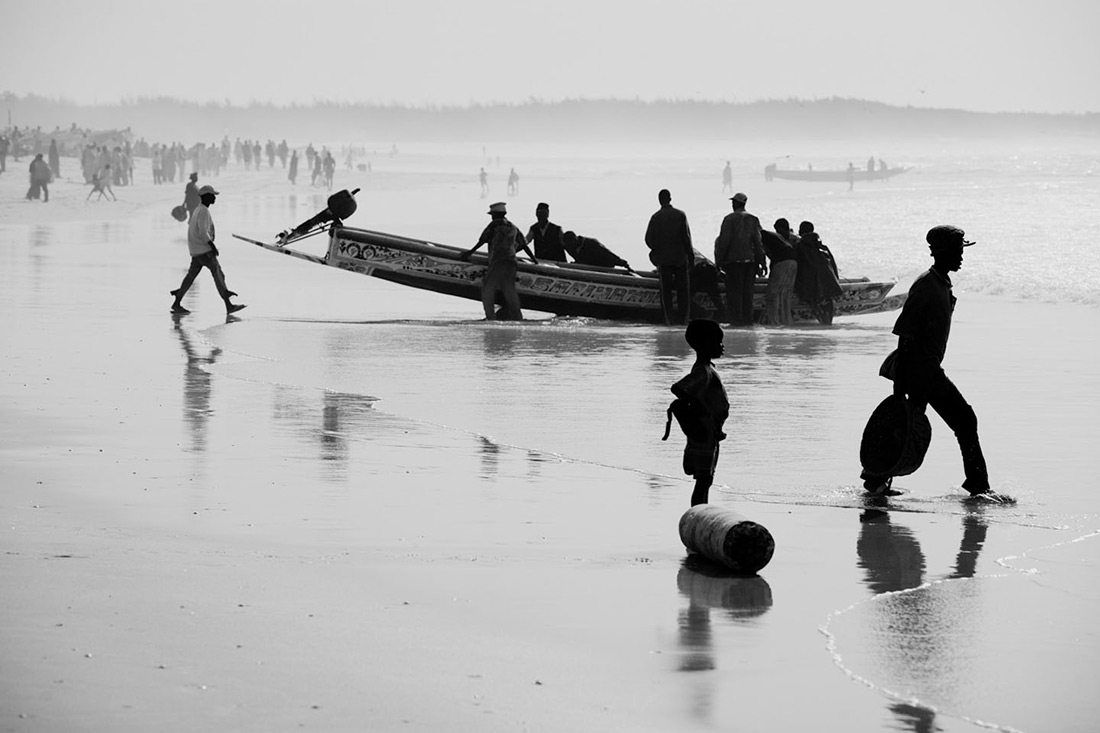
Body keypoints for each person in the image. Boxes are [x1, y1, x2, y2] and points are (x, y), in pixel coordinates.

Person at [861, 226, 997, 500]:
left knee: (904, 427)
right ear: (943, 252)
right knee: (965, 421)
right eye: (958, 251)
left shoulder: (941, 282)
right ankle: (979, 487)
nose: (961, 257)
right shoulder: (926, 285)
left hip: (926, 370)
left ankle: (875, 481)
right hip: (921, 372)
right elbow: (905, 336)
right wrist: (900, 387)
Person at [671, 319, 729, 506]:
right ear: (705, 344)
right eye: (718, 342)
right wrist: (699, 408)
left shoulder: (707, 368)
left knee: (706, 479)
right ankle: (698, 512)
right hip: (704, 433)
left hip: (709, 432)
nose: (722, 347)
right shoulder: (703, 371)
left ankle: (700, 510)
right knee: (703, 480)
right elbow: (679, 388)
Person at [170, 185, 246, 316]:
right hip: (204, 250)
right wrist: (212, 246)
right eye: (212, 195)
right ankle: (228, 304)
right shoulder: (203, 211)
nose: (215, 197)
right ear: (206, 197)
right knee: (218, 273)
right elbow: (203, 232)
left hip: (195, 250)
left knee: (191, 277)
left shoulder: (198, 210)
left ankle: (177, 302)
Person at [460, 201, 538, 320]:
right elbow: (524, 245)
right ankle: (518, 317)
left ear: (495, 214)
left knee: (488, 289)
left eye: (492, 215)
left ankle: (490, 317)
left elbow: (482, 240)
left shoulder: (494, 225)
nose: (491, 217)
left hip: (498, 261)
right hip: (512, 262)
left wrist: (469, 253)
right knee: (509, 290)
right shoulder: (513, 226)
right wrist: (534, 261)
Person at [714, 192, 766, 327]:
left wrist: (718, 262)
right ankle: (748, 322)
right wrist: (762, 262)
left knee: (734, 294)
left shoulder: (729, 219)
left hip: (733, 263)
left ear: (735, 204)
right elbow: (758, 242)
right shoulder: (753, 219)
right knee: (747, 294)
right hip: (750, 263)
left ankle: (736, 322)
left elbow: (724, 242)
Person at [645, 189, 694, 325]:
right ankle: (683, 319)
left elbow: (649, 240)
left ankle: (668, 320)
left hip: (664, 260)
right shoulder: (680, 215)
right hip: (679, 259)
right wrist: (690, 257)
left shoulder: (656, 217)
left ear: (659, 200)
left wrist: (657, 250)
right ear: (670, 199)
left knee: (666, 292)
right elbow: (687, 238)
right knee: (683, 291)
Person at [793, 221, 842, 324]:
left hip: (811, 283)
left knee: (814, 303)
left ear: (800, 232)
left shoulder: (799, 246)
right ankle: (828, 325)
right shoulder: (823, 247)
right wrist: (836, 281)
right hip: (828, 281)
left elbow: (798, 266)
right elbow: (833, 265)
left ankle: (823, 325)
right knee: (827, 304)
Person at [762, 218, 799, 325]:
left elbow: (760, 253)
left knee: (772, 294)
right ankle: (787, 322)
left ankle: (774, 323)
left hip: (783, 262)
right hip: (793, 261)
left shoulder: (760, 235)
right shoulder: (777, 237)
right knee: (786, 294)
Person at [562, 231, 632, 269]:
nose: (569, 247)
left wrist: (622, 263)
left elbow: (607, 254)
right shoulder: (569, 247)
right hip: (587, 267)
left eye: (570, 244)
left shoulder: (592, 244)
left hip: (603, 266)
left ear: (575, 240)